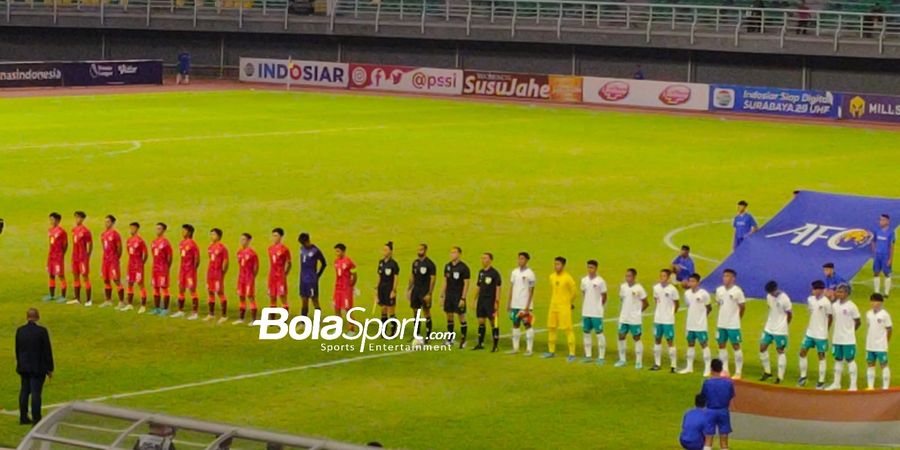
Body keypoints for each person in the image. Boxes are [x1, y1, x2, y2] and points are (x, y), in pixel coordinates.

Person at [16, 308, 53, 426]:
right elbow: (47, 350)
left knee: (24, 391)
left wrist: (20, 363)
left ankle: (23, 416)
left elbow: (17, 349)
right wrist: (49, 368)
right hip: (37, 367)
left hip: (24, 366)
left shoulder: (20, 331)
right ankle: (36, 418)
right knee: (36, 393)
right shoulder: (41, 331)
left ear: (27, 317)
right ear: (37, 317)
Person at [798, 280, 833, 389]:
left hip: (821, 335)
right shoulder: (810, 300)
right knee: (802, 352)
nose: (812, 291)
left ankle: (821, 381)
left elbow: (830, 317)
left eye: (814, 289)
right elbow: (811, 312)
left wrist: (825, 330)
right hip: (810, 332)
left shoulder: (826, 302)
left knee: (821, 356)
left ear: (820, 290)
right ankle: (803, 377)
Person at [826, 284, 861, 391]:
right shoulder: (835, 305)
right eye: (838, 291)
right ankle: (836, 383)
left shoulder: (852, 306)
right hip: (837, 338)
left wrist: (850, 331)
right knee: (838, 360)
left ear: (846, 293)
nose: (838, 293)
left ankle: (853, 385)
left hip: (848, 339)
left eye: (841, 292)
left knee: (850, 360)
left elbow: (858, 322)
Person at [543, 257, 577, 361]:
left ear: (563, 265)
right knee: (551, 327)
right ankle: (551, 351)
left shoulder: (568, 278)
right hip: (553, 306)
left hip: (564, 307)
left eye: (558, 264)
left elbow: (574, 292)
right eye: (555, 264)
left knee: (568, 329)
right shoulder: (552, 277)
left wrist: (568, 302)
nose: (556, 266)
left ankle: (572, 353)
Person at [678, 273, 712, 376]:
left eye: (693, 281)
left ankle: (707, 368)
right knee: (690, 344)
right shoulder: (687, 293)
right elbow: (689, 306)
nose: (691, 283)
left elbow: (709, 307)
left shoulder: (704, 294)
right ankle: (689, 367)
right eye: (690, 281)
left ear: (698, 282)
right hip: (690, 324)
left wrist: (702, 317)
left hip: (700, 325)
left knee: (704, 345)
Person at [715, 269, 746, 379]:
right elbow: (719, 304)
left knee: (736, 346)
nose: (725, 278)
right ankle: (725, 369)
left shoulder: (737, 291)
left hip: (733, 324)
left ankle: (738, 371)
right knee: (721, 345)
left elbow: (742, 307)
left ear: (733, 278)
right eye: (724, 276)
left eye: (728, 276)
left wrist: (737, 318)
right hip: (721, 323)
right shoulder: (719, 290)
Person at [760, 281, 792, 384]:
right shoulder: (768, 296)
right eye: (769, 293)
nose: (771, 294)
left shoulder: (785, 298)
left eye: (772, 292)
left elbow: (790, 314)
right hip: (769, 327)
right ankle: (767, 372)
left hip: (780, 330)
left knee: (780, 351)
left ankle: (780, 376)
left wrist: (784, 325)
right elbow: (770, 308)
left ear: (776, 289)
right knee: (762, 347)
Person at [615, 268, 648, 369]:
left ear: (634, 277)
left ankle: (638, 361)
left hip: (634, 319)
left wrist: (638, 312)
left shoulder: (639, 288)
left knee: (636, 338)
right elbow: (622, 299)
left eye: (629, 276)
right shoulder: (623, 287)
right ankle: (622, 359)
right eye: (626, 276)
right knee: (621, 336)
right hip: (624, 317)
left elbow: (646, 303)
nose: (627, 278)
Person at [701, 359, 735, 450]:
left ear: (711, 369)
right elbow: (731, 395)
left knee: (708, 438)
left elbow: (703, 396)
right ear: (721, 369)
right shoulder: (728, 383)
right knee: (724, 440)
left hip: (710, 411)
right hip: (723, 411)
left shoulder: (707, 383)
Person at [507, 252, 536, 355]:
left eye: (522, 259)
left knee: (527, 324)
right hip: (515, 303)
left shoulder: (530, 274)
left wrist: (528, 306)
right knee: (515, 324)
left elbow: (531, 290)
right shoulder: (514, 272)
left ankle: (529, 349)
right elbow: (511, 288)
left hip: (525, 305)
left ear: (527, 260)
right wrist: (509, 302)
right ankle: (515, 348)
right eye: (519, 259)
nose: (520, 261)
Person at [652, 269, 680, 372]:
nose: (662, 278)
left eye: (664, 276)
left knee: (670, 341)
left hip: (668, 320)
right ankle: (657, 363)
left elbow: (677, 303)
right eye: (660, 276)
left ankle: (673, 365)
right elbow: (656, 300)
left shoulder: (672, 289)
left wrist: (671, 313)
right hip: (658, 319)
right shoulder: (656, 288)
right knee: (657, 339)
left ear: (668, 278)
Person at [472, 252, 501, 352]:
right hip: (481, 300)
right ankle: (480, 343)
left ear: (490, 260)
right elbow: (478, 286)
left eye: (485, 258)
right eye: (482, 258)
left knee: (493, 322)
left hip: (490, 301)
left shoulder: (494, 273)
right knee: (481, 321)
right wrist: (474, 299)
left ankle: (495, 346)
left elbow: (498, 288)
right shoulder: (481, 272)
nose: (483, 260)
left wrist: (497, 302)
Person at [407, 243, 436, 342]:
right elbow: (412, 276)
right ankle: (416, 334)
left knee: (426, 311)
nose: (419, 251)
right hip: (416, 290)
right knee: (415, 312)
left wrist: (429, 293)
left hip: (424, 290)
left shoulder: (430, 264)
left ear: (425, 250)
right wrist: (409, 289)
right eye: (418, 249)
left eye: (421, 250)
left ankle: (428, 335)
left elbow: (433, 279)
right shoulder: (415, 263)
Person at [442, 247, 470, 348]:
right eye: (451, 252)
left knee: (461, 316)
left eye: (454, 252)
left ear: (459, 254)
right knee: (449, 316)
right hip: (449, 295)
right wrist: (442, 295)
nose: (452, 254)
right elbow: (445, 281)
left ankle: (463, 339)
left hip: (458, 296)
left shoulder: (464, 268)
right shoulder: (447, 266)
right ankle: (450, 338)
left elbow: (466, 284)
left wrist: (463, 298)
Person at [580, 260, 607, 364]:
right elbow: (584, 293)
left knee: (599, 333)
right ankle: (588, 355)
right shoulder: (584, 280)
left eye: (592, 267)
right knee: (586, 333)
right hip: (586, 311)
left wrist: (599, 306)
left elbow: (604, 296)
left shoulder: (600, 281)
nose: (590, 269)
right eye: (588, 267)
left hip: (596, 312)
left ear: (596, 268)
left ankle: (601, 357)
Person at [865, 293, 892, 390]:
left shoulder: (885, 314)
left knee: (883, 364)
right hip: (870, 345)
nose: (874, 303)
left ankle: (885, 387)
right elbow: (869, 327)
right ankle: (870, 387)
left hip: (881, 345)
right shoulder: (868, 314)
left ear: (881, 302)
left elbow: (889, 329)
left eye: (876, 301)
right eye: (872, 301)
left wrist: (885, 342)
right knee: (870, 364)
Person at [172, 224, 200, 319]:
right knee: (181, 289)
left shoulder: (192, 244)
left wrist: (193, 269)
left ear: (189, 232)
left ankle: (195, 313)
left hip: (190, 271)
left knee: (192, 290)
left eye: (184, 231)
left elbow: (197, 259)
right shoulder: (181, 243)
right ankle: (181, 311)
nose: (182, 232)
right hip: (182, 270)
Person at [298, 233, 327, 320]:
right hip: (303, 279)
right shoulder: (301, 249)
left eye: (304, 243)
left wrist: (318, 275)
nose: (303, 245)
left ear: (308, 241)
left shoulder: (315, 251)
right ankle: (303, 322)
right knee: (304, 300)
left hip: (312, 280)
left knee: (314, 300)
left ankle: (317, 320)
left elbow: (324, 263)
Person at [68, 211, 93, 306]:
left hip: (82, 257)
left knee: (85, 277)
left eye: (78, 218)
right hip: (75, 257)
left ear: (82, 219)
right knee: (75, 276)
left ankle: (88, 300)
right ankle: (77, 298)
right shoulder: (74, 230)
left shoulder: (85, 231)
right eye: (75, 217)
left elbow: (90, 244)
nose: (77, 219)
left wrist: (88, 255)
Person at [99, 214, 124, 308]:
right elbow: (104, 247)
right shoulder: (103, 234)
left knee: (116, 280)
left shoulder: (115, 234)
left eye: (108, 222)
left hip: (113, 260)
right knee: (106, 280)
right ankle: (108, 300)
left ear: (113, 223)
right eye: (105, 221)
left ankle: (121, 302)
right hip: (105, 261)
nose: (106, 223)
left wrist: (116, 259)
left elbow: (119, 248)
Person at [234, 233, 259, 325]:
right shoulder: (239, 252)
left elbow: (256, 267)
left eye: (244, 239)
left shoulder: (252, 253)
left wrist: (252, 277)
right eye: (241, 239)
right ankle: (241, 318)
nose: (242, 241)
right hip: (241, 278)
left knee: (250, 297)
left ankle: (254, 320)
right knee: (241, 297)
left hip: (249, 278)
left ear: (248, 241)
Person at [43, 212, 68, 303]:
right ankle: (51, 295)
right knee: (51, 274)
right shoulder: (50, 231)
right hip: (51, 256)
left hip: (58, 257)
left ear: (58, 220)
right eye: (50, 219)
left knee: (61, 276)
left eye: (52, 219)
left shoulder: (62, 232)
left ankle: (63, 296)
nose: (51, 221)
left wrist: (61, 255)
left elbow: (65, 245)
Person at [123, 222, 148, 312]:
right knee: (130, 283)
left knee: (140, 284)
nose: (131, 230)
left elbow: (146, 254)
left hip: (138, 266)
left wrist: (141, 263)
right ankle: (130, 304)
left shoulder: (140, 241)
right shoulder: (129, 240)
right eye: (130, 228)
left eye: (133, 228)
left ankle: (143, 306)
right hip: (130, 265)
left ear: (137, 229)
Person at [377, 242, 400, 336]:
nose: (384, 251)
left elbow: (396, 278)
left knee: (391, 311)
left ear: (390, 251)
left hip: (389, 289)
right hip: (381, 289)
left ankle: (393, 330)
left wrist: (394, 290)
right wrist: (376, 289)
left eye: (386, 250)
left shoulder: (394, 264)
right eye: (383, 249)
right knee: (383, 309)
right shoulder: (381, 262)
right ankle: (383, 331)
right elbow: (379, 276)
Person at [206, 228, 229, 323]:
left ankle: (224, 315)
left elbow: (226, 261)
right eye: (211, 234)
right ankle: (211, 314)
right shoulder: (210, 247)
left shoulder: (222, 248)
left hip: (218, 274)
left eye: (214, 234)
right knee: (210, 291)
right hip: (210, 273)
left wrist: (222, 272)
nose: (212, 236)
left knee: (220, 293)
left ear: (219, 236)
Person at [150, 223, 173, 315]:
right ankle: (157, 308)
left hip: (163, 268)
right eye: (156, 228)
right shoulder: (153, 242)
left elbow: (169, 256)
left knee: (164, 288)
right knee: (155, 287)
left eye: (159, 229)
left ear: (163, 230)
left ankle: (166, 309)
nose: (157, 230)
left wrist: (167, 267)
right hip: (155, 268)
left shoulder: (165, 242)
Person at [333, 243, 358, 331]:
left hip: (346, 289)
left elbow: (354, 274)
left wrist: (352, 285)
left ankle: (352, 328)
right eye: (336, 251)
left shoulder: (349, 262)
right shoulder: (336, 262)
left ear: (343, 251)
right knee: (336, 307)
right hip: (338, 288)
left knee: (348, 309)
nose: (337, 253)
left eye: (338, 251)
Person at [267, 228, 292, 312]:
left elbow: (289, 263)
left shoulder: (284, 249)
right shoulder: (270, 248)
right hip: (272, 276)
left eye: (276, 236)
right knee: (272, 297)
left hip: (280, 276)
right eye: (273, 236)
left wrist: (285, 273)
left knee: (282, 297)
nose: (274, 238)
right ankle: (272, 319)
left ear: (281, 237)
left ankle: (284, 319)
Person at [872, 214, 894, 297]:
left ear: (887, 221)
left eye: (883, 220)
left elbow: (891, 246)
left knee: (887, 273)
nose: (881, 221)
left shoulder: (891, 233)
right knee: (876, 272)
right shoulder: (877, 231)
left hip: (885, 256)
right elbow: (873, 241)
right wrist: (874, 252)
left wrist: (890, 259)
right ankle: (876, 292)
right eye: (880, 219)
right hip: (877, 255)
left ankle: (886, 293)